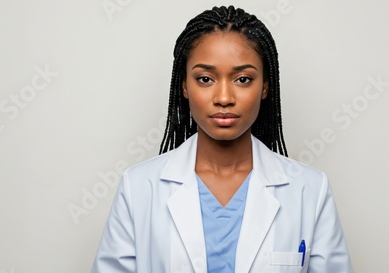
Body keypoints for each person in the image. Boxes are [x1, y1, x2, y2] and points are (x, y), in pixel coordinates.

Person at [90, 5, 353, 273]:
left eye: (242, 79)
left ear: (265, 86)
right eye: (205, 79)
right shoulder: (138, 188)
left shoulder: (310, 190)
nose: (224, 98)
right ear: (183, 85)